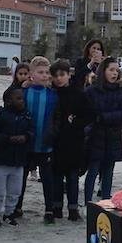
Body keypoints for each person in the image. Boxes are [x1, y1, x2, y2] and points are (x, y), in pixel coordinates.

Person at [14, 56, 58, 224]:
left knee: (47, 178)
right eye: (40, 72)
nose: (44, 75)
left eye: (47, 72)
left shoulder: (53, 95)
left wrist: (53, 134)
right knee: (22, 176)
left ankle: (49, 209)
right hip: (27, 143)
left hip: (46, 144)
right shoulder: (24, 93)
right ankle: (17, 206)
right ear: (31, 74)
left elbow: (57, 117)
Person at [84, 58, 122, 204]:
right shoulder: (92, 90)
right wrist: (98, 119)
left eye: (117, 70)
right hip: (95, 135)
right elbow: (89, 113)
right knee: (93, 170)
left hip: (113, 135)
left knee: (109, 170)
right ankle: (88, 202)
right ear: (103, 71)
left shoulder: (121, 91)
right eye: (111, 70)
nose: (114, 73)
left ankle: (105, 201)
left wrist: (104, 117)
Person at [0, 88, 33, 227]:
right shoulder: (1, 115)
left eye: (22, 98)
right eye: (18, 99)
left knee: (15, 191)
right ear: (8, 101)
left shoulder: (27, 116)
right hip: (1, 160)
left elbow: (32, 132)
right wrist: (8, 139)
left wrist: (25, 137)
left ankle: (9, 213)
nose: (22, 101)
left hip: (18, 160)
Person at [50, 60, 89, 221]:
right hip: (56, 141)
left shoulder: (78, 93)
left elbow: (89, 114)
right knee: (57, 177)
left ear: (68, 75)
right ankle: (57, 208)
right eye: (56, 75)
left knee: (73, 177)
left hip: (74, 141)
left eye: (62, 75)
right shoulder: (52, 93)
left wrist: (76, 121)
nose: (59, 78)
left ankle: (73, 209)